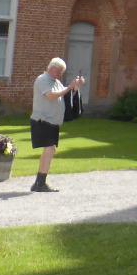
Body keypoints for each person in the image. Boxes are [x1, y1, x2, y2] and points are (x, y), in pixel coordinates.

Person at [30, 58, 84, 193]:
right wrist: (69, 87)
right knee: (49, 149)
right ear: (52, 68)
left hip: (52, 121)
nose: (60, 74)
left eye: (62, 72)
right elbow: (51, 96)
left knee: (51, 149)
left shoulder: (56, 82)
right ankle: (40, 183)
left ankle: (39, 182)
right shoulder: (42, 79)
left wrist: (75, 87)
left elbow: (66, 97)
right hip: (43, 120)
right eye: (59, 71)